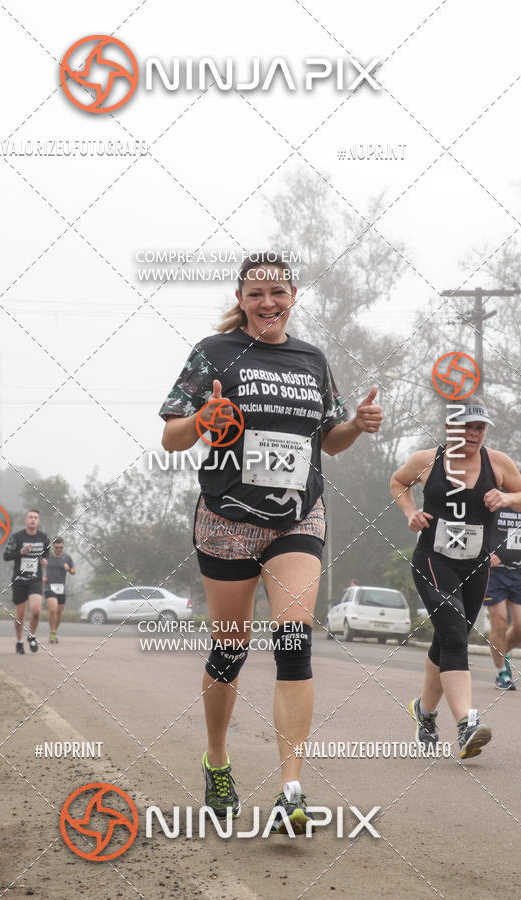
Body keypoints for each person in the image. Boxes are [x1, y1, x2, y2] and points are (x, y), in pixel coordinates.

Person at [159, 251, 382, 833]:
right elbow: (171, 437)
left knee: (292, 642)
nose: (267, 303)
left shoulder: (312, 359)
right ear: (241, 299)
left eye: (277, 292)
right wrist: (203, 419)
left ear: (293, 296)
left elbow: (328, 441)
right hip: (228, 519)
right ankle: (217, 758)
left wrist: (356, 424)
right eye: (255, 293)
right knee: (230, 653)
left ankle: (291, 789)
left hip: (296, 519)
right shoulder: (213, 353)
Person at [390, 399, 521, 758]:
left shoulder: (498, 464)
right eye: (467, 427)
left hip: (476, 564)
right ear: (452, 429)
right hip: (434, 559)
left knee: (452, 637)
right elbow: (399, 482)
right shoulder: (427, 460)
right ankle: (466, 724)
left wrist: (508, 496)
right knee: (452, 635)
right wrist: (410, 512)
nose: (475, 434)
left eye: (480, 428)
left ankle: (425, 712)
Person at [484, 494, 521, 690]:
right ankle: (501, 673)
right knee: (498, 619)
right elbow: (477, 526)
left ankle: (502, 651)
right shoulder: (497, 500)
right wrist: (486, 553)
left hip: (519, 573)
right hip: (496, 573)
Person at [3, 510, 49, 654]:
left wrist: (45, 560)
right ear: (26, 520)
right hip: (19, 580)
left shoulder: (43, 537)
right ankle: (19, 641)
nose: (33, 520)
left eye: (35, 518)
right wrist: (20, 553)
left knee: (36, 609)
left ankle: (32, 636)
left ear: (38, 521)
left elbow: (46, 552)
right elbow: (6, 556)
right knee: (21, 613)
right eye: (30, 517)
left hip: (35, 579)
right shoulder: (17, 537)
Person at [43, 537, 75, 643]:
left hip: (61, 588)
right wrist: (41, 578)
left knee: (59, 613)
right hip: (49, 587)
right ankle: (52, 632)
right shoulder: (47, 557)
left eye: (61, 547)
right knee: (53, 609)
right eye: (57, 547)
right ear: (53, 546)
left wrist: (69, 569)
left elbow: (74, 571)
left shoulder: (67, 558)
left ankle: (54, 632)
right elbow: (38, 567)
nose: (59, 549)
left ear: (63, 546)